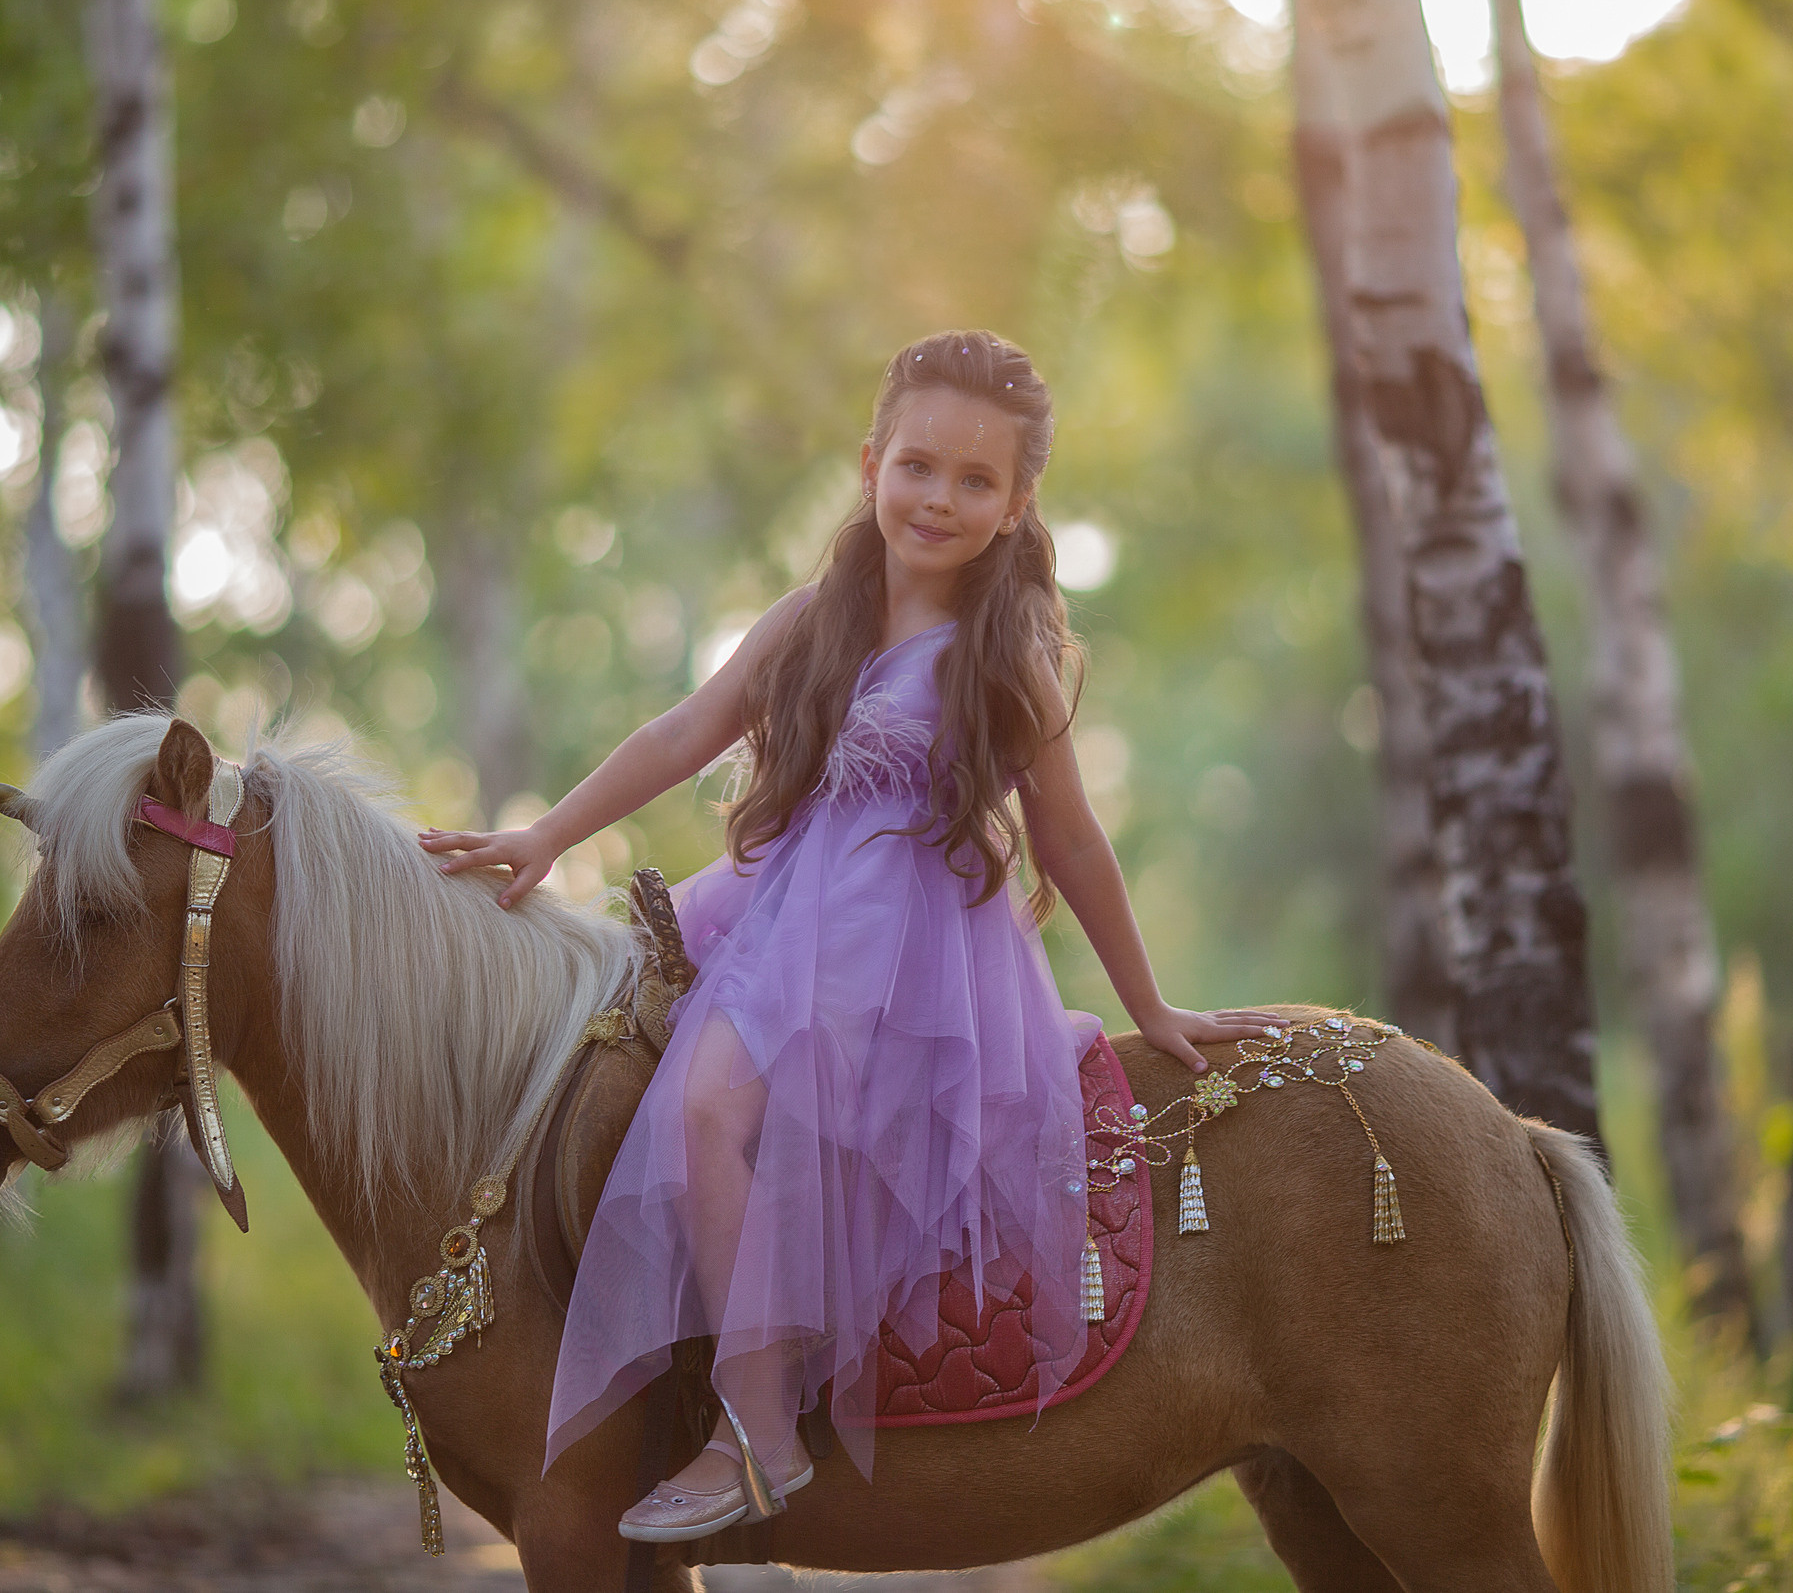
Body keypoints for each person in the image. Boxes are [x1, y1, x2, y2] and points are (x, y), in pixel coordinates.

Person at [419, 330, 1277, 1542]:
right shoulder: (813, 619)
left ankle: (758, 1425)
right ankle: (638, 1387)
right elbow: (681, 735)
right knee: (634, 1093)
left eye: (976, 482)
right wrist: (548, 833)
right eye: (918, 466)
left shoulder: (1006, 658)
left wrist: (1150, 1006)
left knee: (718, 1112)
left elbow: (1074, 843)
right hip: (776, 921)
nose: (938, 499)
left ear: (1017, 505)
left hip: (905, 948)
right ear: (871, 461)